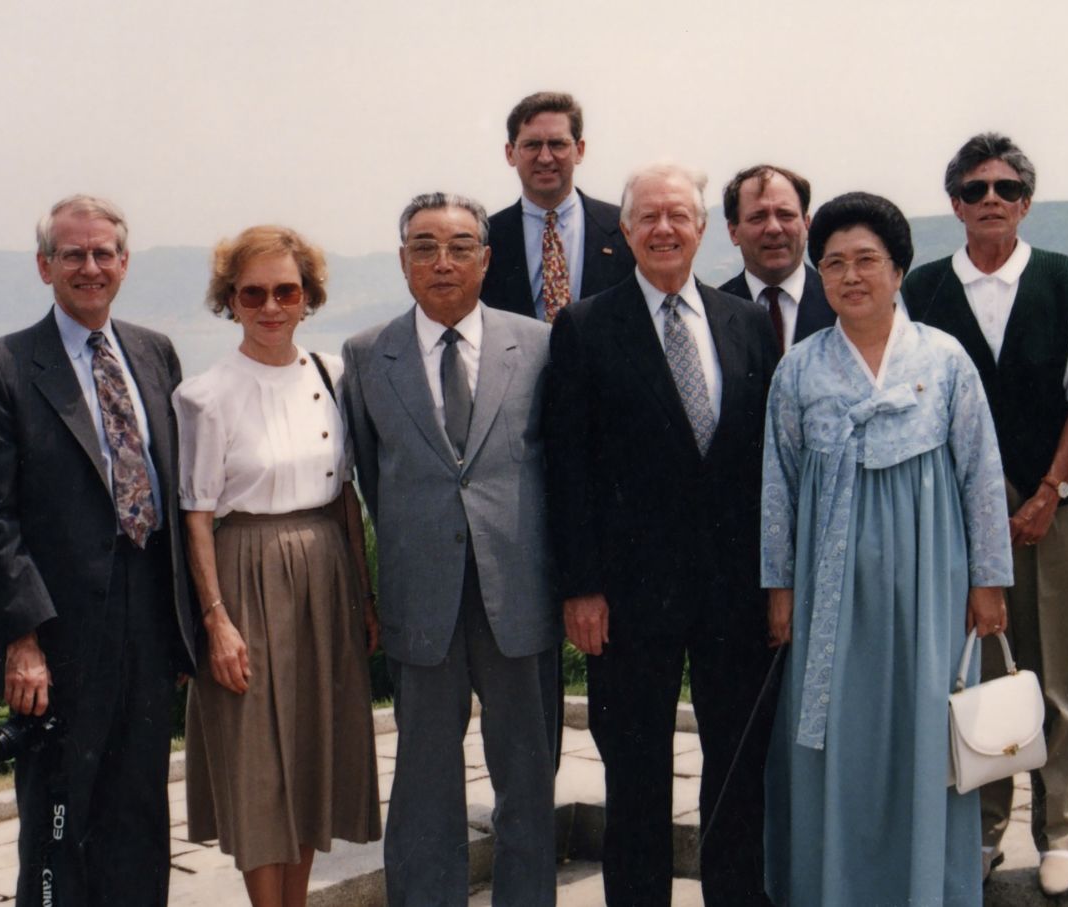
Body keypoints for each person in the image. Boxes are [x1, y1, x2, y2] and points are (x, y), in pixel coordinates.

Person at [762, 191, 1013, 907]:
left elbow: (980, 470)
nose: (851, 276)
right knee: (839, 730)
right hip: (827, 582)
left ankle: (925, 887)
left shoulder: (946, 358)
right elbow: (776, 483)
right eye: (833, 263)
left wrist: (988, 579)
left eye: (867, 260)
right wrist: (779, 587)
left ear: (899, 269)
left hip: (929, 575)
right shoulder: (801, 369)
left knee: (923, 725)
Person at [546, 162, 779, 906]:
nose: (664, 229)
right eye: (647, 216)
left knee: (738, 772)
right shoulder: (584, 326)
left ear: (705, 228)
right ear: (625, 230)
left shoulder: (747, 322)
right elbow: (568, 465)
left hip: (735, 595)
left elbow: (767, 466)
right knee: (637, 778)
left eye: (679, 215)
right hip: (629, 599)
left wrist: (777, 580)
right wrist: (580, 586)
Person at [0, 195, 198, 906]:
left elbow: (176, 487)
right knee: (59, 823)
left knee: (139, 819)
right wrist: (23, 638)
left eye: (104, 253)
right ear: (45, 265)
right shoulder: (3, 368)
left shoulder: (155, 352)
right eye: (72, 254)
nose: (90, 266)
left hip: (149, 627)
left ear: (125, 263)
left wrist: (189, 624)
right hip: (60, 636)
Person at [341, 193, 558, 906]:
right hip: (422, 595)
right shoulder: (368, 354)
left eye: (461, 246)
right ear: (403, 259)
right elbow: (373, 475)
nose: (443, 261)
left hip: (517, 594)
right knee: (424, 780)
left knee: (527, 778)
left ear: (486, 259)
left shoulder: (537, 343)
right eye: (424, 246)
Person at [173, 225, 381, 907]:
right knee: (261, 764)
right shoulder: (206, 395)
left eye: (285, 290)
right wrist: (217, 620)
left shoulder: (332, 375)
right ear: (230, 300)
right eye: (253, 292)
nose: (270, 306)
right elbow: (197, 513)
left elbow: (345, 494)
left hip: (326, 574)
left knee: (310, 755)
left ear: (307, 297)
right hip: (246, 576)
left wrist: (364, 596)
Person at [902, 132, 1068, 897]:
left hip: (1057, 509)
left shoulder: (1065, 279)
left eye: (1005, 189)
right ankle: (980, 828)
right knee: (975, 673)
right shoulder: (923, 290)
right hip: (956, 513)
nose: (989, 201)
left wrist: (1049, 491)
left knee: (1059, 679)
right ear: (954, 204)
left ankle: (1061, 830)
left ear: (1026, 202)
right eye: (974, 190)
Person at [480, 91, 634, 321]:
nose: (544, 157)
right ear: (510, 153)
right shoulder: (484, 237)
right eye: (531, 145)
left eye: (557, 144)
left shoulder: (625, 228)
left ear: (579, 150)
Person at [719, 164, 835, 352]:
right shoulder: (713, 314)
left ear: (806, 224)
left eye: (785, 215)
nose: (774, 228)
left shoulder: (840, 304)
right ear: (733, 232)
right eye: (758, 217)